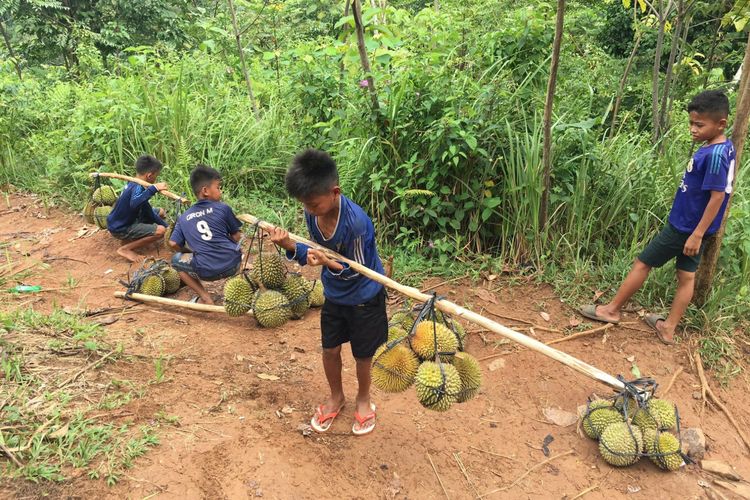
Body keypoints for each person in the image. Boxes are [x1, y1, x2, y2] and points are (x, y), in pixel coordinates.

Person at [580, 90, 736, 344]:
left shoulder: (714, 155)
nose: (692, 129)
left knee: (643, 263)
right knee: (686, 276)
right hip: (694, 228)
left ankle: (611, 310)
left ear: (721, 124)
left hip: (684, 228)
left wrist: (696, 233)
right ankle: (668, 328)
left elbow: (717, 197)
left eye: (699, 124)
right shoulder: (722, 147)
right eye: (691, 123)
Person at [270, 149, 387, 436]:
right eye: (304, 205)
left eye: (313, 204)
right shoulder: (314, 213)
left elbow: (357, 269)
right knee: (330, 349)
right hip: (334, 294)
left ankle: (363, 398)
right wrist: (288, 246)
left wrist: (325, 262)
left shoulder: (357, 223)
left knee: (363, 354)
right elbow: (313, 252)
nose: (309, 210)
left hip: (364, 295)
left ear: (335, 192)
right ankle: (336, 396)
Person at [168, 165, 243, 305]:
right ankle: (237, 289)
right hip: (233, 265)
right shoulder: (223, 208)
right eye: (218, 187)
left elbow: (172, 243)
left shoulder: (184, 217)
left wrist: (187, 252)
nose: (220, 192)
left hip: (206, 271)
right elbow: (237, 237)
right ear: (205, 191)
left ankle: (205, 297)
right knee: (236, 248)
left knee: (176, 261)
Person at [107, 155, 169, 262]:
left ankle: (136, 237)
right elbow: (135, 204)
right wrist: (153, 189)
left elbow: (148, 211)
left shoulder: (134, 183)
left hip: (121, 219)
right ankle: (125, 249)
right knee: (160, 231)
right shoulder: (138, 187)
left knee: (161, 212)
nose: (156, 179)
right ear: (149, 175)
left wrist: (168, 228)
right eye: (156, 176)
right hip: (120, 227)